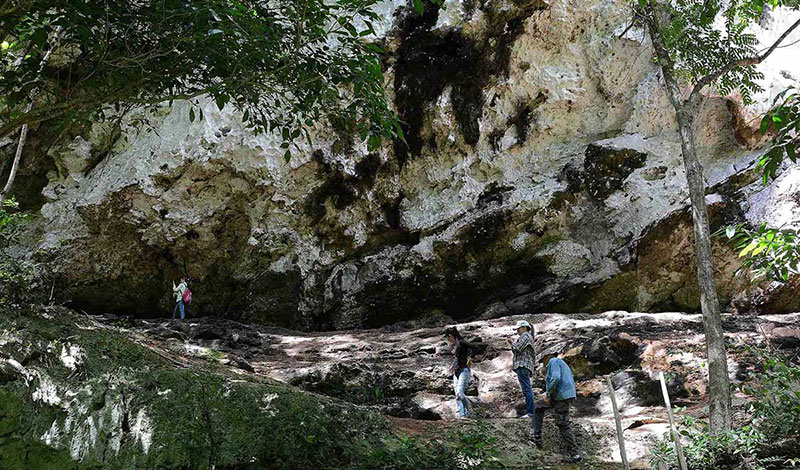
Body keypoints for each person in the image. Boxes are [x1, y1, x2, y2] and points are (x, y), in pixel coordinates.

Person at [532, 349, 581, 463]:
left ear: (546, 357)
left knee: (563, 424)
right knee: (538, 408)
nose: (543, 363)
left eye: (543, 360)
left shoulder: (553, 362)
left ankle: (575, 454)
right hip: (561, 396)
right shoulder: (560, 363)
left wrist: (548, 394)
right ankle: (536, 436)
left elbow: (556, 378)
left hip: (561, 397)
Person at [444, 326, 477, 419]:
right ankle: (462, 415)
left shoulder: (462, 342)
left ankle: (468, 412)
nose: (448, 340)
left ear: (450, 336)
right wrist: (452, 366)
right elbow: (458, 357)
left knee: (460, 393)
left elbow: (475, 347)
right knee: (457, 395)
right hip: (456, 371)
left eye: (447, 338)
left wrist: (471, 358)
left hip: (464, 370)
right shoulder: (457, 344)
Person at [507, 320, 536, 418]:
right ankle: (531, 412)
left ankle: (531, 413)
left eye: (518, 328)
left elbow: (518, 349)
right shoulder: (529, 337)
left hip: (523, 365)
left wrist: (512, 343)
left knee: (527, 389)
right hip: (526, 366)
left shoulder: (525, 336)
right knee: (527, 389)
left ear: (524, 327)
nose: (517, 331)